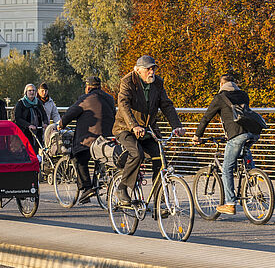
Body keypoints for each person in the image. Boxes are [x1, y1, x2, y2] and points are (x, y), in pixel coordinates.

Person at [112, 55, 186, 204]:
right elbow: (124, 104)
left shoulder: (157, 83)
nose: (151, 72)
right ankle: (122, 187)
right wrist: (133, 125)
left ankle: (160, 198)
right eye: (148, 69)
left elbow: (166, 105)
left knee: (160, 156)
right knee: (137, 154)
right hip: (125, 128)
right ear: (138, 70)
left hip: (148, 129)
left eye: (153, 69)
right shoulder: (128, 81)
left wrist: (177, 126)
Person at [192, 74, 262, 215]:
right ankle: (251, 178)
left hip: (237, 135)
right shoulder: (243, 95)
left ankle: (230, 203)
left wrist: (197, 136)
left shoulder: (219, 98)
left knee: (227, 168)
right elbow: (236, 114)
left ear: (221, 84)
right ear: (234, 83)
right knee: (244, 153)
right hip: (253, 132)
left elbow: (206, 117)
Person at [59, 76, 116, 203]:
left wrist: (61, 124)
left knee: (79, 159)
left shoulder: (85, 99)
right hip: (107, 138)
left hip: (90, 140)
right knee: (101, 158)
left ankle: (87, 188)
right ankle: (100, 179)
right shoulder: (110, 98)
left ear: (88, 87)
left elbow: (70, 113)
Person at [13, 83, 48, 152]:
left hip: (37, 131)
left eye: (33, 91)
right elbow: (17, 118)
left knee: (36, 150)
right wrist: (28, 125)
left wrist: (45, 123)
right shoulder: (21, 103)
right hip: (25, 131)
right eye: (29, 90)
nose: (31, 92)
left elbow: (44, 114)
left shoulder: (38, 102)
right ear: (26, 92)